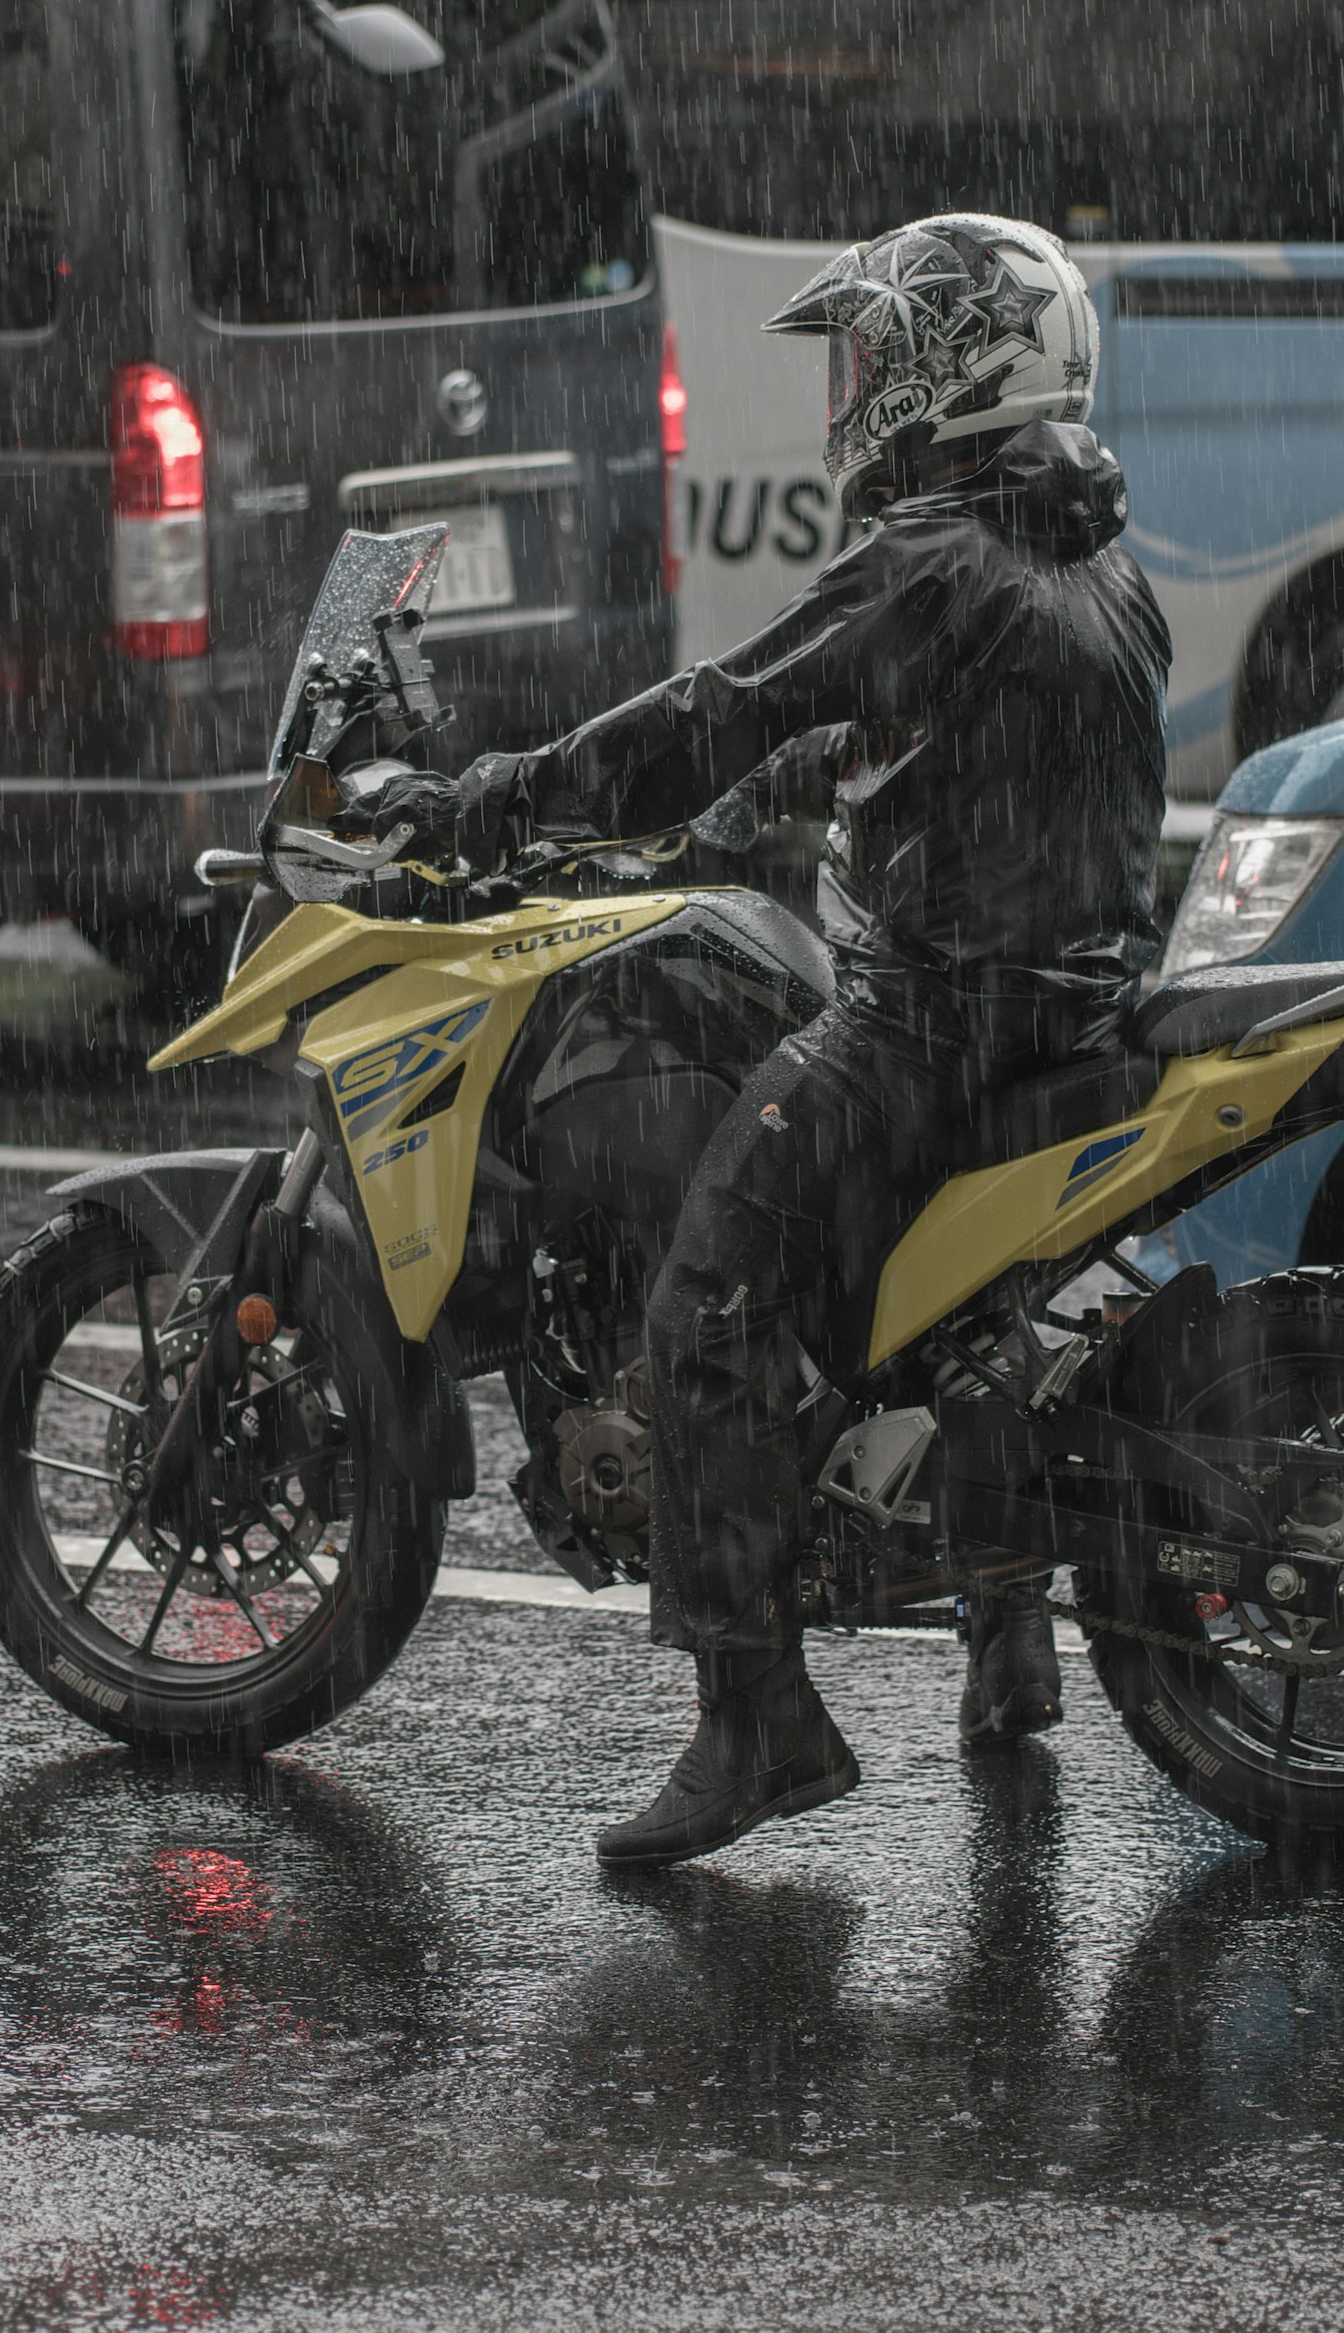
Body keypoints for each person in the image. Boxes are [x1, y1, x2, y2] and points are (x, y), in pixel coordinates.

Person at [337, 212, 1174, 1867]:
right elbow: (906, 738)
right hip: (1071, 1000)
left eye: (875, 353)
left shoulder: (935, 553)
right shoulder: (1080, 546)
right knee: (963, 1326)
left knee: (706, 1300)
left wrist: (499, 802)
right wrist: (752, 802)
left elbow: (724, 703)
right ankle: (1008, 1654)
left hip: (943, 1020)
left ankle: (755, 1722)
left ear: (953, 362)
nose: (853, 389)